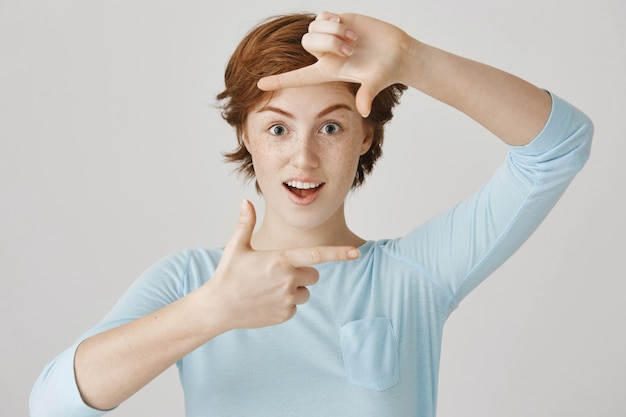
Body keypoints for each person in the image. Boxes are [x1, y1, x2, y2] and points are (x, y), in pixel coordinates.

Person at [30, 11, 593, 417]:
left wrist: (412, 60)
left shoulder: (412, 276)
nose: (303, 157)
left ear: (364, 137)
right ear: (246, 136)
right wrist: (211, 312)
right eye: (277, 128)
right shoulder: (193, 281)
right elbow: (52, 405)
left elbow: (559, 145)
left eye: (331, 126)